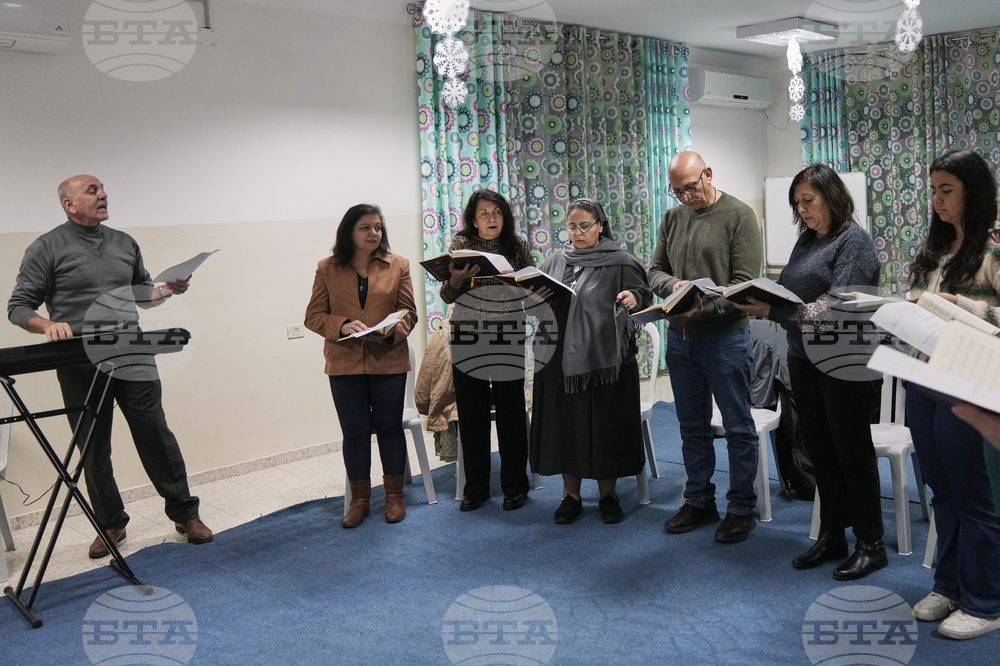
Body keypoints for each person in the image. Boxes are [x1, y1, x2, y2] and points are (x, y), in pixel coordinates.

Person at [7, 174, 213, 559]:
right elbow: (18, 307)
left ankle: (186, 515)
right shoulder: (46, 247)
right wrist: (48, 325)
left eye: (102, 190)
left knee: (154, 432)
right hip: (79, 358)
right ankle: (110, 523)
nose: (103, 195)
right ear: (69, 204)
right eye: (93, 191)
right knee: (93, 445)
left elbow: (142, 293)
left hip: (132, 349)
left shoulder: (124, 242)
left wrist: (165, 290)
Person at [733, 164, 885, 580]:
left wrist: (775, 309)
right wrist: (766, 295)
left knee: (852, 452)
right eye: (797, 203)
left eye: (808, 201)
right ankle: (832, 534)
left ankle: (871, 544)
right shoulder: (807, 240)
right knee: (820, 451)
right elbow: (797, 293)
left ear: (833, 198)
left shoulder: (855, 241)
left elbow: (832, 309)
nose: (802, 209)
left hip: (845, 359)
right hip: (804, 357)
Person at [903, 148, 1000, 640]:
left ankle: (986, 599)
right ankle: (950, 584)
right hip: (925, 377)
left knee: (972, 493)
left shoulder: (995, 249)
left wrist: (953, 303)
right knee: (942, 489)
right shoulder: (934, 248)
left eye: (948, 191)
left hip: (971, 380)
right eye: (934, 190)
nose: (937, 201)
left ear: (974, 192)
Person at [647, 151, 762, 544]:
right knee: (691, 426)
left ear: (708, 174)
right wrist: (674, 289)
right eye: (676, 191)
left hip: (726, 337)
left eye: (690, 188)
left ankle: (742, 508)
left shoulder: (740, 216)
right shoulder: (672, 218)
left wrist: (701, 306)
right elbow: (655, 271)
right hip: (682, 338)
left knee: (737, 426)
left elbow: (745, 283)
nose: (684, 197)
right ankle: (698, 500)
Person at [530, 198, 652, 524]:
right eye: (572, 227)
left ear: (600, 225)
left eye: (585, 226)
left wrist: (632, 298)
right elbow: (537, 303)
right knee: (566, 427)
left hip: (605, 359)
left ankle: (608, 496)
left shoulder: (620, 261)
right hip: (558, 360)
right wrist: (535, 299)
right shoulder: (557, 259)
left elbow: (644, 294)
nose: (579, 233)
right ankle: (570, 496)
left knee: (604, 426)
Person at [305, 204, 417, 528]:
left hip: (388, 359)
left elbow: (408, 312)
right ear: (349, 233)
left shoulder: (398, 265)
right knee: (354, 432)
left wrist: (391, 331)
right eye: (365, 228)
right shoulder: (327, 268)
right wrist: (340, 326)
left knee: (389, 428)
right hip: (344, 363)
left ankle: (395, 496)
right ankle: (360, 501)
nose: (373, 233)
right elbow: (313, 316)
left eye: (378, 227)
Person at [439, 189, 537, 512]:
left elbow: (534, 293)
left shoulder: (517, 245)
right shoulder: (460, 245)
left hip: (508, 332)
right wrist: (456, 280)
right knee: (472, 413)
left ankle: (514, 486)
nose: (491, 218)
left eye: (496, 212)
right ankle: (476, 487)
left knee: (510, 411)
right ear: (473, 219)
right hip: (468, 334)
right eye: (484, 213)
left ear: (504, 216)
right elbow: (446, 295)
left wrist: (519, 284)